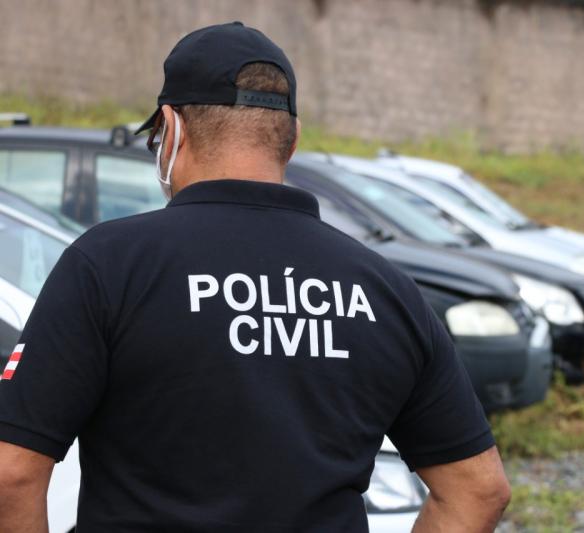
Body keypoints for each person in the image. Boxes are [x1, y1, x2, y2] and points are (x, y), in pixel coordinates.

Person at [0, 22, 510, 532]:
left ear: (172, 129)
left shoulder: (109, 264)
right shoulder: (384, 289)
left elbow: (12, 476)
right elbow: (477, 489)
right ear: (292, 140)